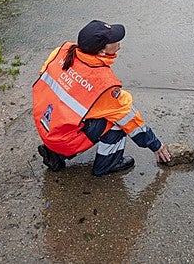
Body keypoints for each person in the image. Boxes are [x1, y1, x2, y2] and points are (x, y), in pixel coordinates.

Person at [32, 20, 171, 176]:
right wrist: (156, 145)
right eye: (114, 41)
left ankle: (55, 154)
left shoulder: (62, 52)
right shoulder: (104, 86)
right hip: (63, 138)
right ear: (101, 52)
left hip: (47, 127)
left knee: (89, 113)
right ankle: (108, 164)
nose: (119, 43)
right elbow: (130, 119)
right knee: (117, 122)